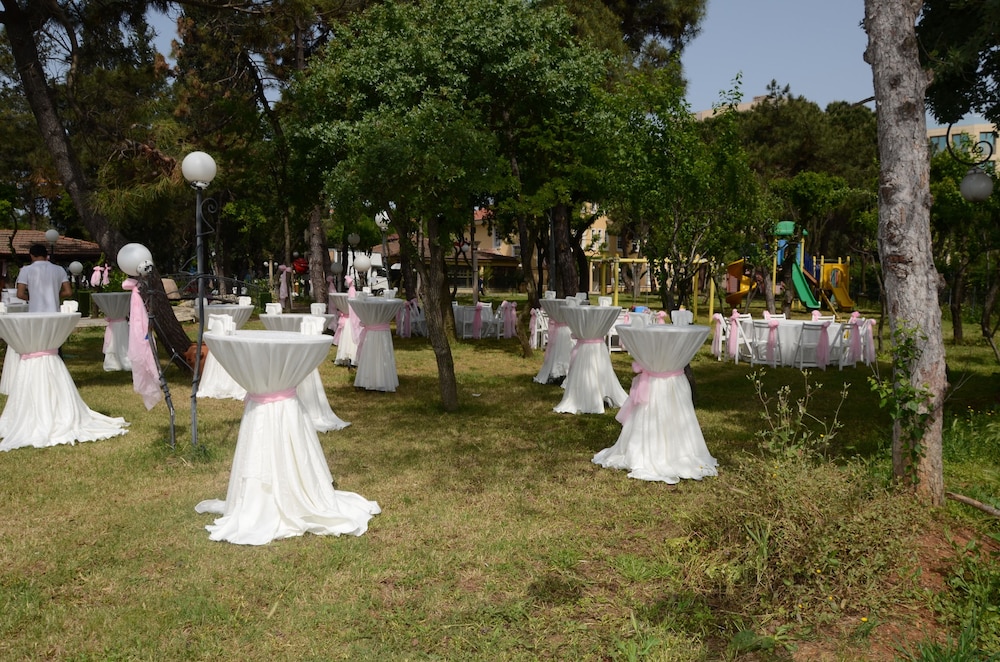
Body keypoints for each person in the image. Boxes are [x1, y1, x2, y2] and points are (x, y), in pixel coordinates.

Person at [16, 244, 73, 313]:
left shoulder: (25, 270)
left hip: (35, 312)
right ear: (46, 255)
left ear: (31, 255)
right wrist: (53, 295)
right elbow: (68, 292)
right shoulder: (59, 269)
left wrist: (31, 298)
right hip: (54, 312)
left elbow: (20, 294)